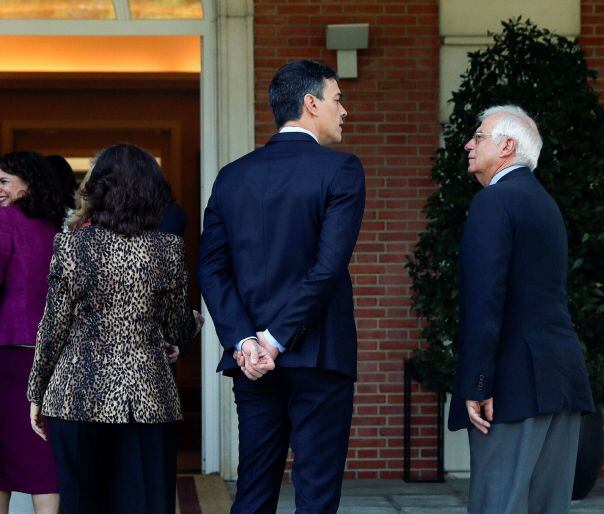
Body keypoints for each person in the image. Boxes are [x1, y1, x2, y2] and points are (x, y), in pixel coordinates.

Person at [198, 59, 366, 513]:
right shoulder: (342, 170)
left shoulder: (232, 176)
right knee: (315, 492)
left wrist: (246, 340)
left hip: (251, 359)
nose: (343, 111)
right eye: (337, 99)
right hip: (318, 355)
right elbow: (327, 268)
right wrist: (272, 342)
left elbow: (211, 268)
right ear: (311, 104)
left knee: (253, 488)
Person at [26, 143, 199, 514]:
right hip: (148, 399)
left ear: (98, 189)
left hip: (75, 395)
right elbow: (179, 327)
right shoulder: (167, 248)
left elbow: (53, 326)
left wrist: (36, 392)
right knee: (147, 504)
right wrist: (191, 324)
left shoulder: (71, 244)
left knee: (81, 505)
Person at [447, 105, 595, 514]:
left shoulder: (494, 202)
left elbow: (485, 298)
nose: (468, 144)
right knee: (548, 507)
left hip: (514, 385)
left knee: (499, 504)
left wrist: (478, 382)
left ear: (507, 146)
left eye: (478, 136)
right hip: (561, 378)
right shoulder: (544, 203)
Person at [0, 151, 66, 514]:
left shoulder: (4, 220)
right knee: (40, 449)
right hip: (45, 349)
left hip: (8, 349)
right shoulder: (54, 227)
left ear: (27, 185)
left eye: (4, 181)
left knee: (3, 458)